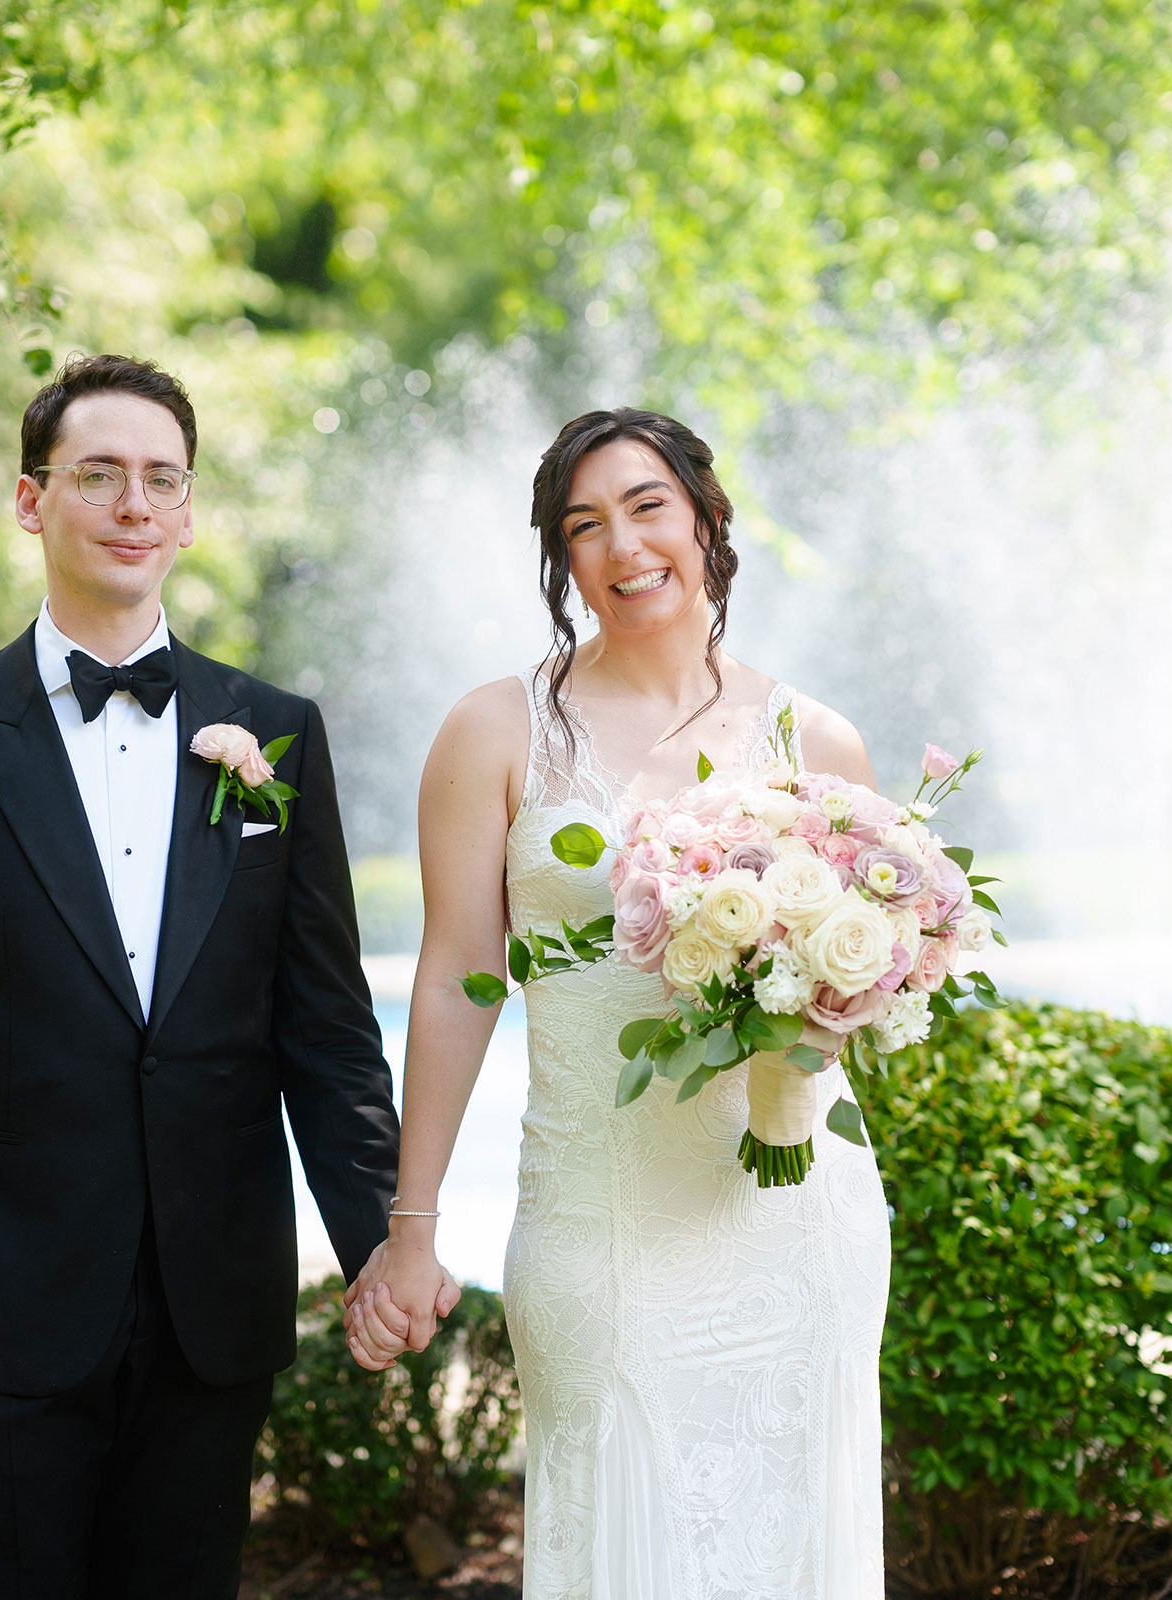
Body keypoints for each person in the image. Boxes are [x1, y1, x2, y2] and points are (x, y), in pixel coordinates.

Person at [0, 353, 405, 1599]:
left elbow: (325, 1023)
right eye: (98, 475)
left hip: (215, 1308)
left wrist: (382, 1234)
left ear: (191, 511)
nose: (134, 504)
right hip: (5, 1308)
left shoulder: (278, 730)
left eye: (162, 478)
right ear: (33, 501)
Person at [344, 408, 893, 1596]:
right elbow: (451, 978)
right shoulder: (496, 730)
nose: (623, 544)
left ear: (704, 519)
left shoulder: (818, 740)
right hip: (596, 1215)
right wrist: (412, 1222)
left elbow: (874, 977)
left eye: (648, 505)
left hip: (793, 1223)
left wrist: (832, 1001)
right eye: (582, 524)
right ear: (562, 560)